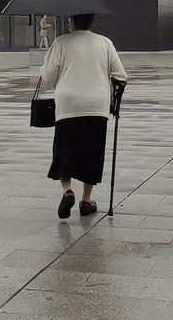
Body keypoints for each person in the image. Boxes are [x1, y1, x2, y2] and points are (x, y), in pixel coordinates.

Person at [41, 13, 126, 218]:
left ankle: (67, 191)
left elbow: (47, 78)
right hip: (96, 104)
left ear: (72, 22)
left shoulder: (60, 42)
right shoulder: (105, 43)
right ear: (91, 22)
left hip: (68, 104)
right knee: (92, 152)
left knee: (64, 149)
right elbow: (121, 76)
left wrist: (46, 65)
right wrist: (114, 102)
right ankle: (86, 201)